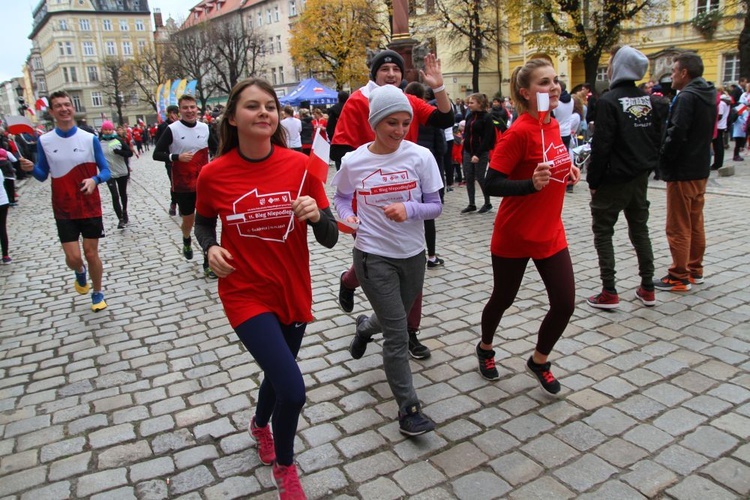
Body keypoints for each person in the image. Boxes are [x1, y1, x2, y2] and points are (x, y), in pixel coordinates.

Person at [194, 77, 338, 500]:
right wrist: (210, 247)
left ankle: (260, 425)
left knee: (279, 373)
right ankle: (285, 468)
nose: (263, 113)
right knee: (293, 388)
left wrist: (316, 215)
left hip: (291, 288)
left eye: (270, 107)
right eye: (252, 106)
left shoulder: (300, 168)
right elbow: (203, 221)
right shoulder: (213, 174)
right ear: (233, 118)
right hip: (244, 292)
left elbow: (329, 236)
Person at [332, 84, 443, 435]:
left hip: (412, 255)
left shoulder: (420, 157)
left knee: (391, 318)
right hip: (372, 255)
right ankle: (409, 409)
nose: (398, 130)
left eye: (405, 123)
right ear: (374, 123)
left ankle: (365, 326)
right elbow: (341, 199)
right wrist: (348, 219)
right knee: (398, 332)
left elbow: (435, 206)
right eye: (390, 123)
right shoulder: (354, 161)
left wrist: (409, 208)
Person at [331, 49, 453, 358]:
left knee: (410, 262)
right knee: (373, 256)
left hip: (408, 195)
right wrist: (367, 169)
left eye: (396, 69)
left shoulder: (408, 100)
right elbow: (341, 149)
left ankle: (409, 332)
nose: (391, 73)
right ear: (374, 73)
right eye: (384, 68)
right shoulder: (359, 101)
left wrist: (438, 87)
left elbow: (444, 118)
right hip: (371, 194)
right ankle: (349, 280)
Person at [476, 59, 580, 393]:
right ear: (525, 92)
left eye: (555, 81)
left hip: (550, 232)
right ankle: (486, 347)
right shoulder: (519, 131)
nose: (554, 88)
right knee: (503, 298)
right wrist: (529, 186)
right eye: (544, 83)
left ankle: (539, 360)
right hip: (515, 235)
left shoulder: (551, 124)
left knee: (564, 304)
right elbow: (491, 183)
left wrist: (567, 171)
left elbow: (552, 164)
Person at [585, 45, 667, 310]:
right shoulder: (648, 99)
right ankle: (648, 287)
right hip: (639, 176)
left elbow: (601, 145)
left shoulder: (609, 101)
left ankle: (609, 291)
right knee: (640, 229)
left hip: (614, 178)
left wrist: (594, 181)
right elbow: (656, 138)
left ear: (619, 66)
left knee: (603, 232)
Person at [19, 90, 111, 312]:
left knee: (91, 253)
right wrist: (32, 169)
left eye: (67, 104)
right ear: (52, 112)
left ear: (72, 107)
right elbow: (42, 175)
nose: (64, 109)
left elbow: (106, 170)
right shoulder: (45, 141)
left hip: (89, 205)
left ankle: (97, 292)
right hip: (64, 208)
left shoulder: (89, 138)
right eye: (58, 106)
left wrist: (94, 179)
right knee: (74, 257)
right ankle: (80, 273)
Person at [656, 53, 717, 292]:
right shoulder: (709, 94)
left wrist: (664, 157)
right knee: (695, 221)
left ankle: (678, 275)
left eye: (673, 71)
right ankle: (695, 269)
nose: (671, 75)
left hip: (683, 169)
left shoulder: (687, 97)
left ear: (684, 73)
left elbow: (677, 132)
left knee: (678, 224)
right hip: (700, 166)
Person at [153, 94, 219, 279]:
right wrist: (176, 157)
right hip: (183, 185)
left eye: (192, 107)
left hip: (204, 183)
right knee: (189, 221)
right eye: (185, 108)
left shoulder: (205, 128)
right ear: (179, 111)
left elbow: (217, 148)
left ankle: (208, 261)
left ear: (196, 108)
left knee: (207, 222)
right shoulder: (172, 130)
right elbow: (157, 153)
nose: (190, 111)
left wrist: (215, 161)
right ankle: (186, 239)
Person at [460, 92, 495, 214]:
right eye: (468, 102)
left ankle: (487, 202)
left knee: (480, 177)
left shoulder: (486, 118)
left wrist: (478, 154)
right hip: (468, 151)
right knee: (469, 177)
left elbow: (488, 138)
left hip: (480, 152)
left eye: (471, 102)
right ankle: (471, 203)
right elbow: (468, 133)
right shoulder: (470, 116)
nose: (469, 105)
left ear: (479, 104)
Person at [99, 121, 134, 229]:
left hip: (121, 171)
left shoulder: (118, 140)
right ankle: (120, 219)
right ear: (102, 130)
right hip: (109, 173)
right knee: (114, 195)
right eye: (105, 129)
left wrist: (120, 152)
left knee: (123, 194)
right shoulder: (99, 142)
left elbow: (129, 153)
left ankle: (124, 211)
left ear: (112, 130)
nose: (108, 131)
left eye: (109, 129)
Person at [155, 105, 180, 216]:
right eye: (171, 112)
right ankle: (174, 202)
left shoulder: (182, 124)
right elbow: (158, 144)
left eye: (175, 112)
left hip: (183, 158)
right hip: (170, 159)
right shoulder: (163, 126)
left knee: (184, 184)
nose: (173, 115)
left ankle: (183, 205)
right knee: (174, 182)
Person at [326, 91, 349, 170]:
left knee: (339, 165)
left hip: (338, 140)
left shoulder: (334, 110)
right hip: (351, 139)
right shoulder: (352, 107)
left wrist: (332, 138)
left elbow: (330, 127)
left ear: (338, 98)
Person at [712, 93, 730, 170]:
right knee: (719, 146)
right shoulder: (727, 103)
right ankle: (718, 163)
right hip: (722, 125)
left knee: (718, 146)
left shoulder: (721, 104)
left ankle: (717, 164)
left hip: (718, 126)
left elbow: (719, 115)